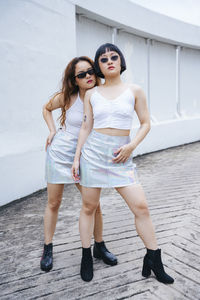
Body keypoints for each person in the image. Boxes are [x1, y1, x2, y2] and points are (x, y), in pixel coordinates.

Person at [72, 43, 174, 284]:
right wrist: (76, 158)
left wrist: (131, 146)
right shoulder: (91, 94)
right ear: (98, 65)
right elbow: (86, 126)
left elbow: (146, 122)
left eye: (114, 57)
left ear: (121, 61)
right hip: (93, 155)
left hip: (121, 157)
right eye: (103, 58)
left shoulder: (134, 90)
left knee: (141, 207)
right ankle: (86, 256)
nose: (109, 61)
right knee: (89, 207)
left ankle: (153, 259)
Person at [40, 56, 117, 273]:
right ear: (74, 80)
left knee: (94, 205)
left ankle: (99, 247)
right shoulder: (68, 97)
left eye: (90, 71)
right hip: (61, 153)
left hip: (87, 156)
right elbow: (46, 109)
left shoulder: (102, 96)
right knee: (54, 203)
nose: (88, 76)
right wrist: (52, 130)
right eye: (81, 74)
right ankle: (48, 247)